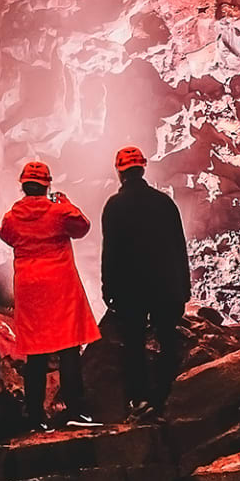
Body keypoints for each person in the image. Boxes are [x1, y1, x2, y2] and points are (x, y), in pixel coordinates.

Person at [0, 160, 102, 431]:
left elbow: (5, 235)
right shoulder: (58, 212)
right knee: (69, 349)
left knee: (36, 353)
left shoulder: (11, 217)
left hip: (30, 288)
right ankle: (75, 410)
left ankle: (35, 417)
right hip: (60, 286)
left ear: (23, 186)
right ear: (47, 185)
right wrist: (64, 202)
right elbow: (82, 226)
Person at [101, 145, 190, 421]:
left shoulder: (114, 206)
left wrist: (108, 288)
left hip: (131, 290)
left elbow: (111, 251)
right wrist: (183, 287)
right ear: (143, 168)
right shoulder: (164, 202)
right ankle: (168, 397)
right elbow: (179, 246)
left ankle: (140, 401)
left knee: (134, 344)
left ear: (120, 172)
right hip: (165, 285)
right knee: (167, 341)